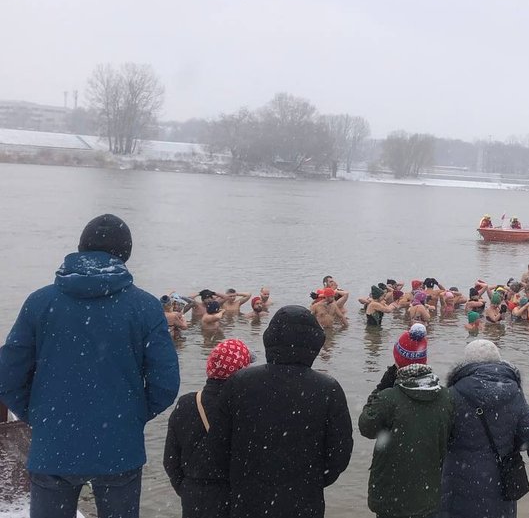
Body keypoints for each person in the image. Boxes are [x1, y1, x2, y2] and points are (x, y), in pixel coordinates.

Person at [0, 213, 180, 518]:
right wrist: (131, 415)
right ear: (126, 255)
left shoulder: (40, 302)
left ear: (81, 248)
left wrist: (39, 414)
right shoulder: (145, 307)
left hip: (53, 445)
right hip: (119, 448)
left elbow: (7, 376)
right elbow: (165, 384)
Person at [207, 305, 353, 518]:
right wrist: (312, 481)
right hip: (304, 502)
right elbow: (339, 453)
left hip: (247, 500)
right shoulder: (328, 388)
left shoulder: (240, 382)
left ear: (270, 339)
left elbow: (217, 446)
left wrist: (241, 478)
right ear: (315, 344)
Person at [439, 340, 529, 518]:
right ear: (498, 361)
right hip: (500, 480)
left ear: (466, 364)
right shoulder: (513, 391)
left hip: (457, 481)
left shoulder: (452, 394)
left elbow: (438, 437)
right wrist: (512, 444)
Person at [360, 324, 453, 518]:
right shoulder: (446, 397)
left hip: (391, 494)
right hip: (429, 493)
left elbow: (366, 426)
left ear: (397, 359)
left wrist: (380, 388)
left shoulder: (389, 398)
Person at [164, 339, 252, 518]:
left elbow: (170, 460)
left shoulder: (187, 404)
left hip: (195, 496)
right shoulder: (247, 407)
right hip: (235, 494)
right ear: (242, 371)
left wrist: (186, 488)